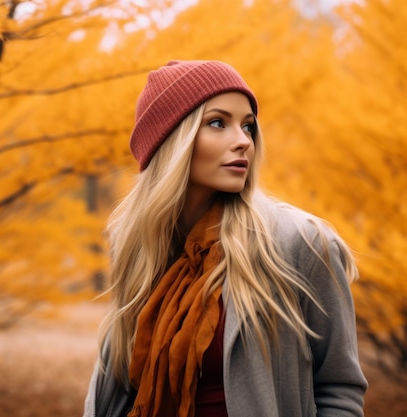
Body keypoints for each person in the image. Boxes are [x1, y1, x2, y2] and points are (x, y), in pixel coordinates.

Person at [82, 60, 367, 417]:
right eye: (218, 123)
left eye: (248, 126)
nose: (243, 141)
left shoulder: (299, 243)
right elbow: (121, 381)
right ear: (172, 140)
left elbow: (339, 389)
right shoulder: (137, 246)